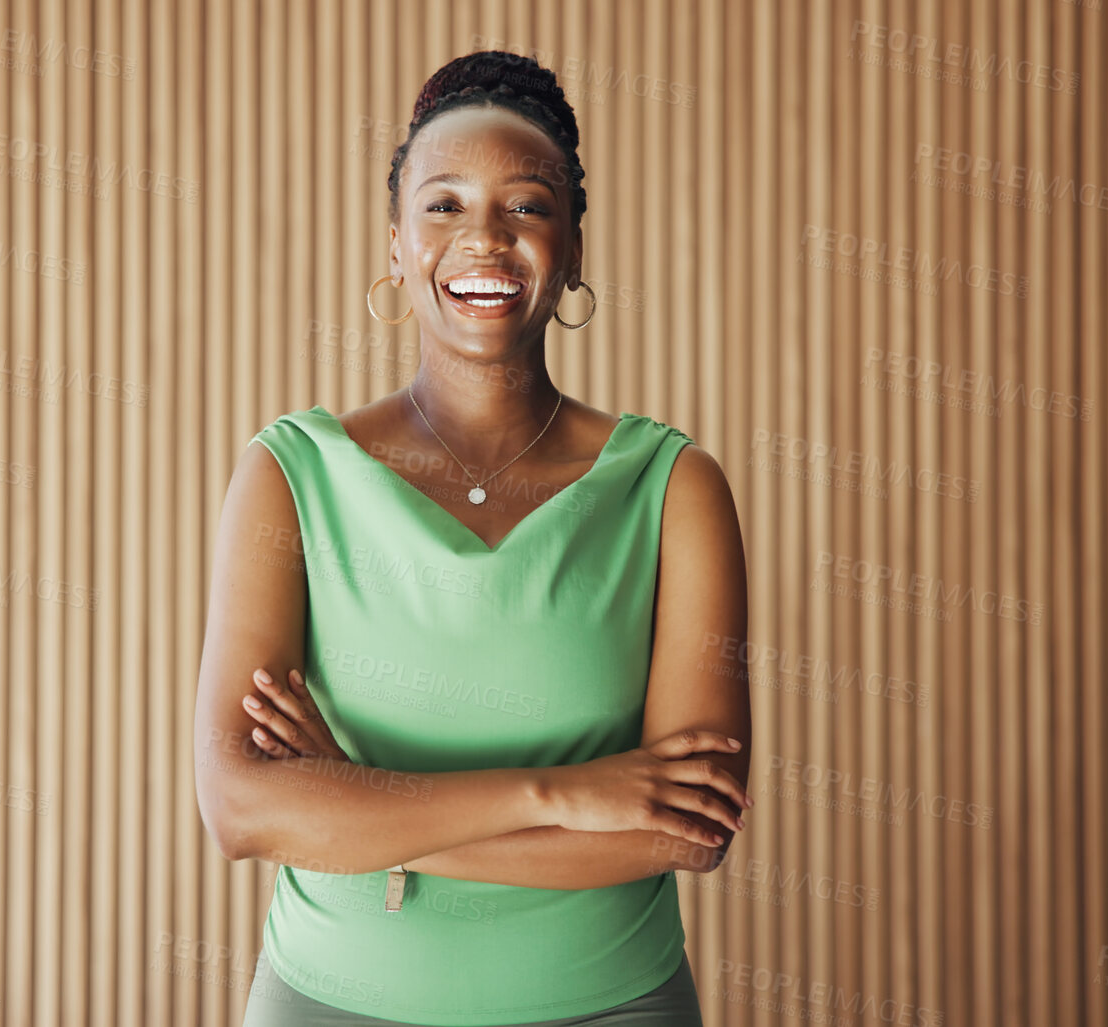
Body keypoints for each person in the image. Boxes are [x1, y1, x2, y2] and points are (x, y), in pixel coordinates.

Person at [195, 50, 752, 1027]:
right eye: (444, 205)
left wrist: (360, 808)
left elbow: (690, 830)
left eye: (527, 206)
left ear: (575, 247)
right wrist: (565, 794)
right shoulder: (290, 474)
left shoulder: (675, 489)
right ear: (398, 247)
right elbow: (241, 808)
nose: (484, 239)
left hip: (611, 1006)